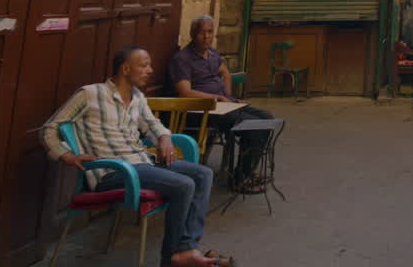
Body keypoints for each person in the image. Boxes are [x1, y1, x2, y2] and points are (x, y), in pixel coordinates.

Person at [41, 47, 232, 267]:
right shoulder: (90, 94)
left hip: (142, 163)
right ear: (125, 68)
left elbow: (152, 125)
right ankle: (172, 258)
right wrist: (66, 155)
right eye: (144, 65)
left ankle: (186, 247)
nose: (150, 70)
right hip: (114, 172)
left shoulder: (137, 97)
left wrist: (164, 138)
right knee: (184, 184)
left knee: (203, 174)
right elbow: (50, 128)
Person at [169, 15, 274, 192]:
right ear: (193, 34)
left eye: (210, 32)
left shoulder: (212, 54)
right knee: (254, 127)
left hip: (223, 105)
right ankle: (240, 179)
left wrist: (229, 97)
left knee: (266, 118)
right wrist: (217, 98)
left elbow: (225, 73)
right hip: (202, 110)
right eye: (202, 33)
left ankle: (246, 171)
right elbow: (185, 92)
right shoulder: (182, 58)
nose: (207, 36)